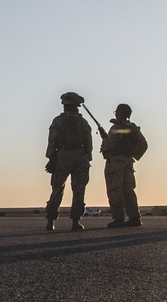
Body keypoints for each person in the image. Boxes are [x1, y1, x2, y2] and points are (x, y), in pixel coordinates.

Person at [45, 92, 93, 231]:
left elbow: (52, 140)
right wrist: (86, 158)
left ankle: (50, 221)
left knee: (57, 189)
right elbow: (89, 144)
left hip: (63, 156)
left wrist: (51, 158)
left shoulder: (58, 121)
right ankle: (76, 222)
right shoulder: (83, 122)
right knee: (79, 190)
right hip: (80, 156)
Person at [99, 103, 148, 228]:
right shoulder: (133, 128)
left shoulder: (117, 127)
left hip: (115, 161)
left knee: (114, 189)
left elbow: (109, 144)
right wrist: (133, 155)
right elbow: (144, 144)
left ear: (119, 113)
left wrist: (104, 139)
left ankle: (118, 218)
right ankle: (134, 217)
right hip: (128, 161)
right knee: (128, 190)